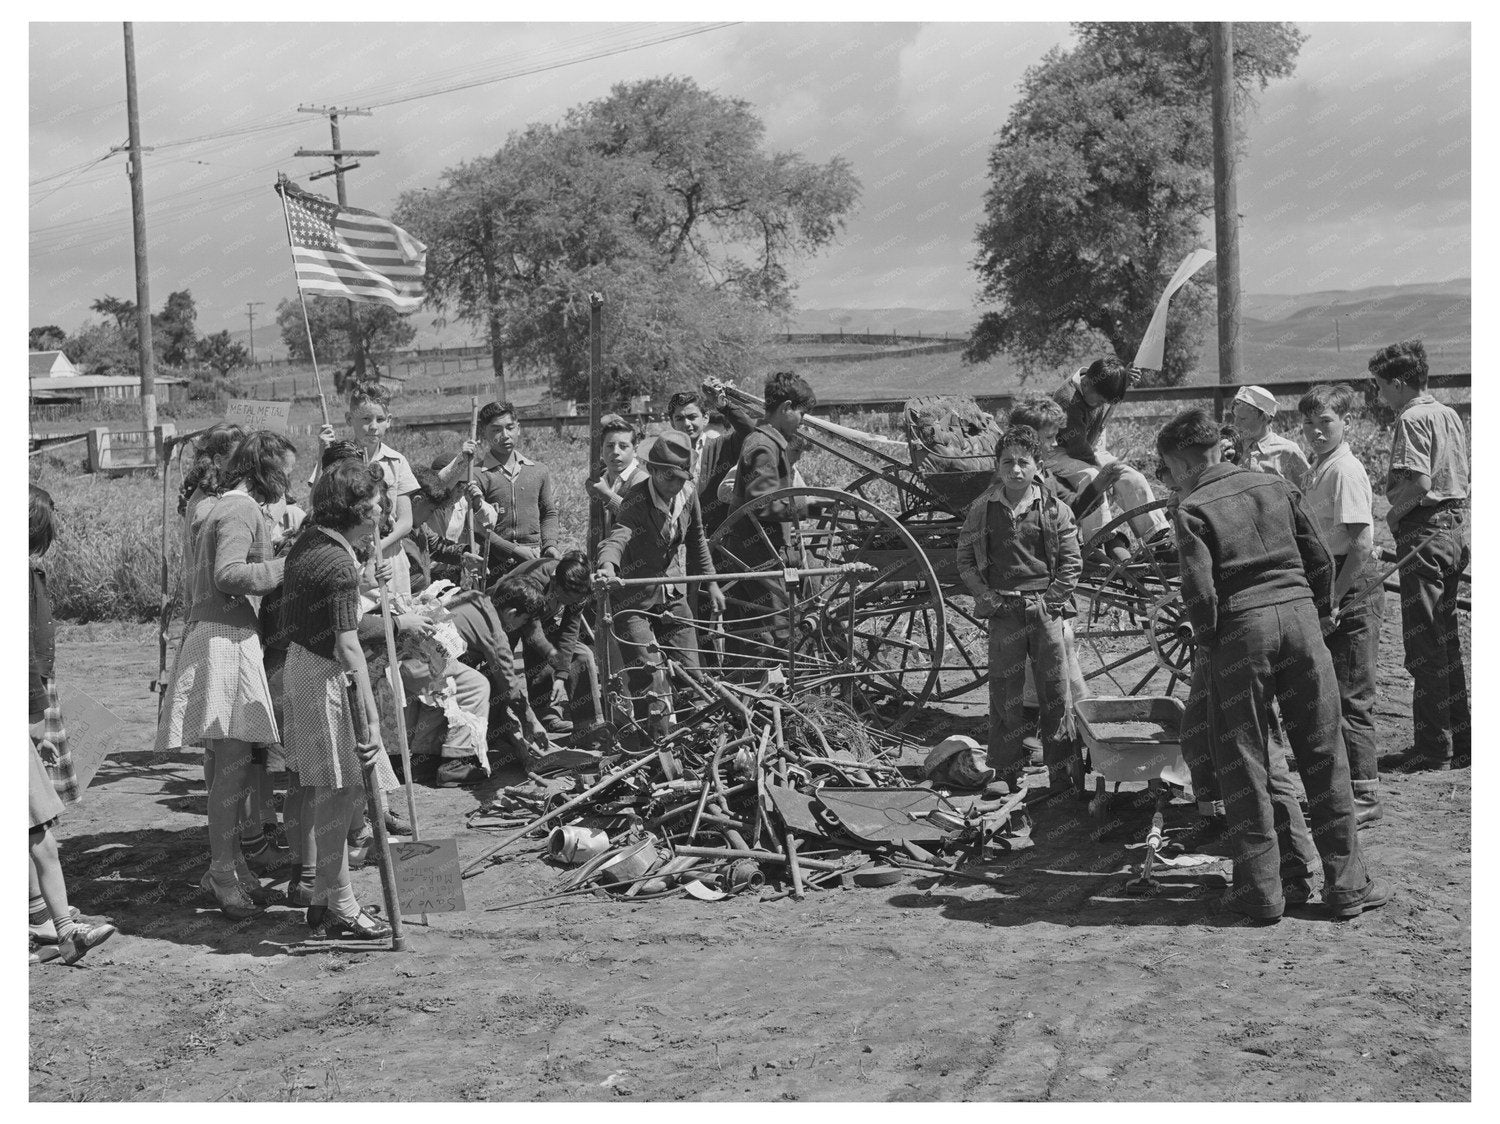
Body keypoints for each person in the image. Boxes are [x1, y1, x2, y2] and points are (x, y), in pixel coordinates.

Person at [1158, 407, 1389, 922]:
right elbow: (1320, 559)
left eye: (1171, 470)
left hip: (1241, 633)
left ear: (1180, 462)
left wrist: (1209, 642)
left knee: (1246, 758)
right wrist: (1319, 609)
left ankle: (1262, 893)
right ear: (1217, 446)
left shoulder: (1193, 509)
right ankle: (1348, 887)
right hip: (1303, 624)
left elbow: (1200, 594)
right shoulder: (1275, 486)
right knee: (1325, 751)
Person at [154, 432, 296, 920]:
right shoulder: (240, 510)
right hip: (225, 640)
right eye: (286, 471)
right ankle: (221, 871)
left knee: (222, 764)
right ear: (265, 469)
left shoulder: (224, 506)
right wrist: (287, 567)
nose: (290, 480)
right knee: (232, 767)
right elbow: (230, 575)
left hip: (216, 633)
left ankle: (229, 861)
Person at [277, 460, 395, 941]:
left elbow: (325, 601)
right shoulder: (337, 561)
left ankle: (326, 898)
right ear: (359, 510)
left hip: (302, 668)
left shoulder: (312, 540)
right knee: (339, 791)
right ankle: (342, 904)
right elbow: (349, 647)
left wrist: (363, 580)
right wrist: (371, 717)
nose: (383, 508)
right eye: (377, 502)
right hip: (325, 676)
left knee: (334, 790)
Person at [956, 424, 1083, 794]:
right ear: (997, 466)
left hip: (1044, 610)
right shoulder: (983, 509)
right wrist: (985, 597)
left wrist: (1051, 602)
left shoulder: (1055, 510)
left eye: (1023, 462)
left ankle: (1062, 773)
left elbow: (1072, 563)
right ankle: (1006, 773)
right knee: (1005, 694)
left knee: (1055, 692)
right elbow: (964, 557)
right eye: (1007, 462)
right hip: (1004, 611)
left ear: (1037, 466)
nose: (1015, 470)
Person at [1370, 340, 1471, 772]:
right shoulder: (1448, 413)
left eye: (1379, 387)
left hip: (1425, 532)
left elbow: (1419, 482)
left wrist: (1393, 516)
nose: (1379, 396)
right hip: (1456, 529)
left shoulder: (1411, 419)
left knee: (1423, 643)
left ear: (1397, 383)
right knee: (1445, 637)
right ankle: (1461, 738)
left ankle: (1433, 747)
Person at [596, 429, 723, 740]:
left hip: (671, 592)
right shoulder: (635, 500)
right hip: (633, 600)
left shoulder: (687, 495)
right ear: (651, 470)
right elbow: (617, 538)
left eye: (681, 478)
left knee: (691, 674)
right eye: (669, 478)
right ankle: (652, 748)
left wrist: (713, 584)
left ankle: (700, 743)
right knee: (649, 678)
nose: (675, 486)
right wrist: (607, 568)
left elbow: (696, 542)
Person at [1297, 383, 1385, 826]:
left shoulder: (1345, 471)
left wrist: (1334, 596)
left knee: (1352, 695)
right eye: (1309, 424)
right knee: (1332, 692)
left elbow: (1362, 543)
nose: (1315, 432)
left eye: (1325, 423)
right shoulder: (1320, 467)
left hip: (1350, 581)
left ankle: (1365, 796)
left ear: (1346, 423)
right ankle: (1341, 788)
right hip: (1329, 577)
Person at [721, 371, 816, 668]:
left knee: (778, 624)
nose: (803, 419)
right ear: (786, 407)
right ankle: (777, 691)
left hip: (767, 551)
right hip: (756, 555)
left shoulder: (770, 440)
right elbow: (761, 505)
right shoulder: (762, 445)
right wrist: (809, 505)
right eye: (801, 412)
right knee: (779, 627)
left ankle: (770, 686)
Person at [1048, 357, 1171, 543]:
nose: (1101, 405)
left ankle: (1156, 536)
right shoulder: (1067, 401)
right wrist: (1104, 471)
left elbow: (1107, 392)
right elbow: (1077, 449)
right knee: (1092, 478)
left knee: (1132, 477)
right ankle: (1100, 542)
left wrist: (1122, 381)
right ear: (1087, 384)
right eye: (1100, 401)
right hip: (1060, 452)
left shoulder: (1097, 383)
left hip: (1087, 446)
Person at [317, 385, 419, 595]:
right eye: (365, 419)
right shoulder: (337, 458)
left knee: (397, 619)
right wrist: (322, 454)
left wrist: (377, 548)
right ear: (349, 419)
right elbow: (317, 506)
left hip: (388, 559)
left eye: (380, 420)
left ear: (389, 420)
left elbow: (406, 521)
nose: (373, 426)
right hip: (348, 557)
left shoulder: (397, 462)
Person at [439, 400, 560, 578]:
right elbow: (478, 528)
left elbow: (549, 512)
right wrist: (513, 550)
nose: (505, 435)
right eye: (496, 430)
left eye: (510, 427)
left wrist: (550, 545)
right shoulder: (476, 475)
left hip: (535, 559)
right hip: (497, 565)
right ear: (483, 433)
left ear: (518, 428)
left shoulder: (538, 470)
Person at [503, 552, 600, 736]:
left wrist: (562, 674)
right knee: (500, 668)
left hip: (541, 619)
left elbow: (569, 632)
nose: (568, 604)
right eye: (565, 598)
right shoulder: (534, 580)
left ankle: (587, 727)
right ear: (555, 581)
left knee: (582, 655)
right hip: (507, 618)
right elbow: (536, 635)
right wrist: (558, 666)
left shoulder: (578, 587)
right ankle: (499, 726)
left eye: (573, 601)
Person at [669, 381, 756, 536]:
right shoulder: (666, 456)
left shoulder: (724, 446)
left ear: (706, 418)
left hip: (720, 538)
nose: (686, 424)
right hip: (681, 538)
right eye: (679, 418)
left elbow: (750, 431)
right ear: (672, 423)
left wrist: (725, 406)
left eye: (692, 417)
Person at [1230, 385, 1311, 492]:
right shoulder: (1231, 448)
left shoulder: (1288, 452)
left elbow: (1308, 493)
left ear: (1264, 418)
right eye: (1235, 416)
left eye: (1243, 419)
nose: (1236, 423)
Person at [588, 414, 649, 537]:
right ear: (601, 449)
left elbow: (639, 518)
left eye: (623, 446)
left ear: (635, 450)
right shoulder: (600, 479)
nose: (615, 452)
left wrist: (607, 495)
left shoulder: (641, 480)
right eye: (610, 446)